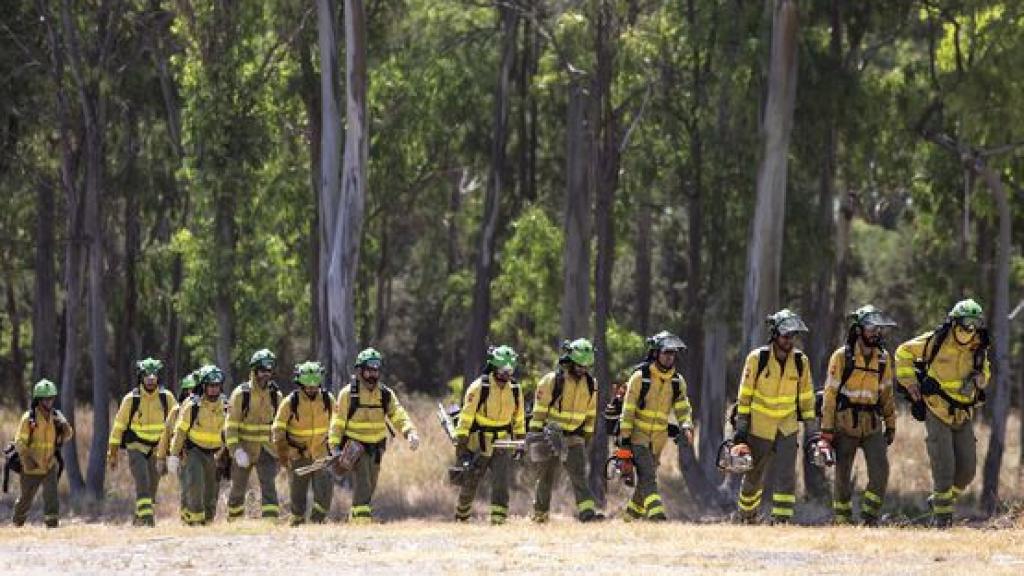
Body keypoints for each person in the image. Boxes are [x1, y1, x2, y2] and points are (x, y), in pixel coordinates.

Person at [895, 299, 990, 527]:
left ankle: (939, 500)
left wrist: (981, 379)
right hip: (936, 410)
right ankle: (942, 522)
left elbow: (985, 372)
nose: (971, 328)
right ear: (955, 322)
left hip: (963, 413)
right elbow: (903, 352)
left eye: (976, 323)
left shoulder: (979, 347)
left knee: (967, 470)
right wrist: (910, 384)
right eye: (967, 322)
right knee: (944, 467)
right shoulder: (935, 341)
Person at [733, 309, 815, 524]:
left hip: (787, 427)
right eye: (785, 335)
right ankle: (746, 516)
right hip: (759, 427)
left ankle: (782, 520)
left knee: (787, 477)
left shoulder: (800, 361)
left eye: (793, 336)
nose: (789, 340)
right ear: (775, 334)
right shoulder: (757, 359)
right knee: (753, 476)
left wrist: (812, 430)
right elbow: (745, 395)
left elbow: (806, 398)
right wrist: (741, 428)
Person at [820, 305, 897, 525]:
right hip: (845, 424)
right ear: (859, 329)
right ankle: (843, 519)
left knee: (881, 471)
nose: (876, 333)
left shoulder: (883, 359)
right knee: (843, 475)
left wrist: (891, 425)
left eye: (878, 328)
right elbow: (830, 395)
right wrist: (826, 431)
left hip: (872, 424)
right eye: (871, 327)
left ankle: (869, 517)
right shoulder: (841, 357)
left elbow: (887, 394)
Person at [328, 347, 419, 524]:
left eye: (376, 370)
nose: (372, 374)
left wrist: (410, 432)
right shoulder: (348, 394)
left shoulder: (385, 394)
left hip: (376, 448)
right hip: (355, 448)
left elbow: (398, 414)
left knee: (370, 485)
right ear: (360, 371)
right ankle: (363, 524)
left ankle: (354, 519)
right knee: (363, 483)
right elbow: (337, 422)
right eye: (369, 370)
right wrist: (334, 446)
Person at [618, 331, 693, 521]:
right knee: (648, 475)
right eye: (666, 352)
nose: (670, 357)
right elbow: (627, 411)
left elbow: (683, 408)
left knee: (645, 479)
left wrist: (686, 425)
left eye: (673, 353)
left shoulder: (677, 381)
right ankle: (656, 513)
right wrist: (625, 441)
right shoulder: (640, 378)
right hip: (637, 436)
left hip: (658, 440)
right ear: (656, 353)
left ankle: (630, 517)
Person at [530, 338, 602, 522]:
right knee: (546, 477)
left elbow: (591, 412)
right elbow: (539, 411)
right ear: (569, 361)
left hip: (574, 436)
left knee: (579, 476)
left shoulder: (591, 384)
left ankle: (587, 514)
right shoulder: (552, 381)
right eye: (579, 365)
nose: (582, 369)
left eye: (586, 366)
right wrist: (536, 434)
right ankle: (540, 515)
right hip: (549, 435)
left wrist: (587, 435)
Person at [453, 345, 526, 524]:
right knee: (471, 480)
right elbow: (466, 415)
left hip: (502, 442)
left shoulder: (515, 389)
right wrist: (462, 442)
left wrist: (520, 441)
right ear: (494, 367)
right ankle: (462, 516)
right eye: (502, 371)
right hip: (479, 441)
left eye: (510, 371)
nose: (506, 375)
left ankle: (498, 520)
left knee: (501, 482)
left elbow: (519, 417)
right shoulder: (479, 387)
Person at [107, 357, 177, 526]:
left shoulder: (166, 398)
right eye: (147, 376)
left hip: (157, 450)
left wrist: (175, 451)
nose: (151, 380)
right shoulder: (131, 399)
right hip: (136, 447)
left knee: (152, 487)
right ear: (141, 377)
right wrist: (113, 453)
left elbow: (177, 425)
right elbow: (118, 428)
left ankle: (138, 520)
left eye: (154, 376)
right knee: (143, 481)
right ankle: (148, 521)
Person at [273, 361, 335, 526]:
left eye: (314, 386)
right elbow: (278, 429)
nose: (311, 390)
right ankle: (297, 523)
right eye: (307, 386)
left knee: (325, 492)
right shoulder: (290, 402)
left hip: (321, 455)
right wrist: (282, 454)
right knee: (298, 497)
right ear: (300, 384)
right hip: (298, 456)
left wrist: (337, 447)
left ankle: (317, 522)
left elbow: (337, 425)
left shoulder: (328, 400)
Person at [225, 349, 283, 520]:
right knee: (238, 488)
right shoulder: (241, 394)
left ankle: (271, 522)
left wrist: (282, 451)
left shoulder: (275, 395)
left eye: (269, 370)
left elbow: (280, 426)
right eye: (262, 370)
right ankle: (234, 521)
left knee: (269, 488)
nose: (266, 374)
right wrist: (236, 450)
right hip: (244, 450)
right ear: (254, 371)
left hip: (267, 450)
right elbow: (231, 425)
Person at [169, 365, 227, 526]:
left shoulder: (225, 406)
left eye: (217, 386)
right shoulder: (192, 406)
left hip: (214, 454)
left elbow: (229, 431)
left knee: (211, 491)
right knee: (195, 485)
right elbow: (180, 431)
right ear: (203, 386)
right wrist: (173, 455)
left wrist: (230, 454)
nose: (214, 390)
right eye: (211, 386)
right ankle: (195, 524)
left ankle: (207, 522)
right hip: (194, 451)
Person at [11, 379, 73, 528]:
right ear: (38, 399)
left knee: (51, 496)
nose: (50, 401)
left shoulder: (56, 416)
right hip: (31, 466)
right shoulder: (28, 418)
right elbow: (19, 442)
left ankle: (52, 524)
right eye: (46, 398)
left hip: (49, 464)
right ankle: (17, 522)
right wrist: (27, 459)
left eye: (51, 398)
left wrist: (65, 428)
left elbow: (68, 435)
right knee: (26, 498)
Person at [156, 370, 199, 521]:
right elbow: (166, 435)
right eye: (190, 389)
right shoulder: (176, 411)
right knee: (188, 488)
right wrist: (162, 458)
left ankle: (200, 518)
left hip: (202, 455)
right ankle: (186, 519)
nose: (192, 393)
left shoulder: (206, 408)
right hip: (183, 457)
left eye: (195, 389)